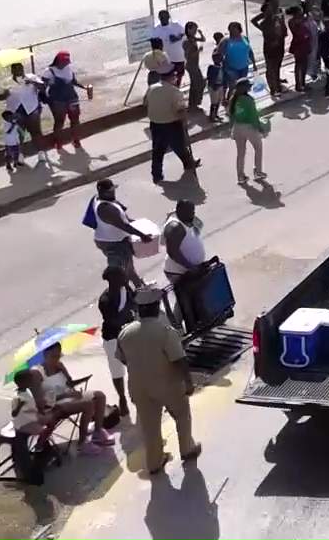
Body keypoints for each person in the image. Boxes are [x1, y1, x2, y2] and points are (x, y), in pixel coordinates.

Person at [115, 286, 200, 476]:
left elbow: (121, 358)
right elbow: (179, 359)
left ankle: (154, 463)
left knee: (150, 427)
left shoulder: (125, 333)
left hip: (139, 388)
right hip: (167, 384)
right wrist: (188, 382)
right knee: (182, 416)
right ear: (155, 307)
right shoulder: (165, 331)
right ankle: (187, 450)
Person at [37, 341, 113, 448]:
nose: (56, 359)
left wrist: (75, 379)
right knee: (88, 404)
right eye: (53, 356)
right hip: (55, 403)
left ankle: (98, 431)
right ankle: (83, 443)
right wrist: (67, 395)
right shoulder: (38, 373)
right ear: (45, 355)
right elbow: (43, 399)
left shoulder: (59, 366)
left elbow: (70, 383)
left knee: (99, 396)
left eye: (59, 355)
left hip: (69, 397)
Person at [88, 179, 150, 287]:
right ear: (103, 193)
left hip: (113, 239)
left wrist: (139, 224)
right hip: (113, 243)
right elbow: (123, 225)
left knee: (127, 267)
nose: (113, 193)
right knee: (126, 268)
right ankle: (137, 290)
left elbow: (125, 219)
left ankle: (138, 285)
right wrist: (142, 235)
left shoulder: (107, 200)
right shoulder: (105, 208)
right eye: (111, 191)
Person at [161, 199, 206, 331]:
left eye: (193, 211)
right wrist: (190, 267)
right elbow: (172, 252)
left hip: (190, 270)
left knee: (186, 299)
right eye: (190, 211)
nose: (193, 213)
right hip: (179, 271)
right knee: (183, 301)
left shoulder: (187, 219)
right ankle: (175, 329)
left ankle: (178, 327)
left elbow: (199, 225)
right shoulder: (175, 227)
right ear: (180, 212)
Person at [96, 265, 134, 417]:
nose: (126, 278)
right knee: (117, 370)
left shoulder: (126, 289)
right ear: (113, 280)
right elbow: (113, 320)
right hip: (112, 338)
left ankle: (135, 394)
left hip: (128, 334)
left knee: (133, 366)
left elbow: (134, 303)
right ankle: (122, 397)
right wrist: (127, 314)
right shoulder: (105, 300)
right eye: (122, 276)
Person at [0, 63, 48, 167]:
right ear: (12, 71)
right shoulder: (6, 82)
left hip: (31, 109)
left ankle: (41, 153)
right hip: (16, 111)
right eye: (15, 69)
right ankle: (20, 155)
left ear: (23, 69)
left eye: (20, 69)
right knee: (19, 134)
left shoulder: (31, 77)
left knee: (36, 131)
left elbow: (43, 87)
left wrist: (32, 82)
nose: (18, 71)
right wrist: (5, 94)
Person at [42, 51, 92, 152]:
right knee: (59, 121)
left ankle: (75, 139)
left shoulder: (68, 69)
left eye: (67, 62)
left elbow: (74, 82)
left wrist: (84, 87)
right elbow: (43, 86)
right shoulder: (49, 71)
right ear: (57, 61)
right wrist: (46, 98)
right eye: (63, 62)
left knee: (75, 119)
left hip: (71, 97)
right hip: (58, 100)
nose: (65, 64)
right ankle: (58, 141)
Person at [226, 77, 267, 182]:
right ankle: (258, 172)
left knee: (240, 153)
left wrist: (232, 128)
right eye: (249, 86)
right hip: (249, 127)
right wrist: (260, 128)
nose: (250, 87)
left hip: (237, 127)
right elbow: (253, 116)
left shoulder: (233, 99)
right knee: (258, 149)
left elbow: (230, 115)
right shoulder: (249, 100)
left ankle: (240, 176)